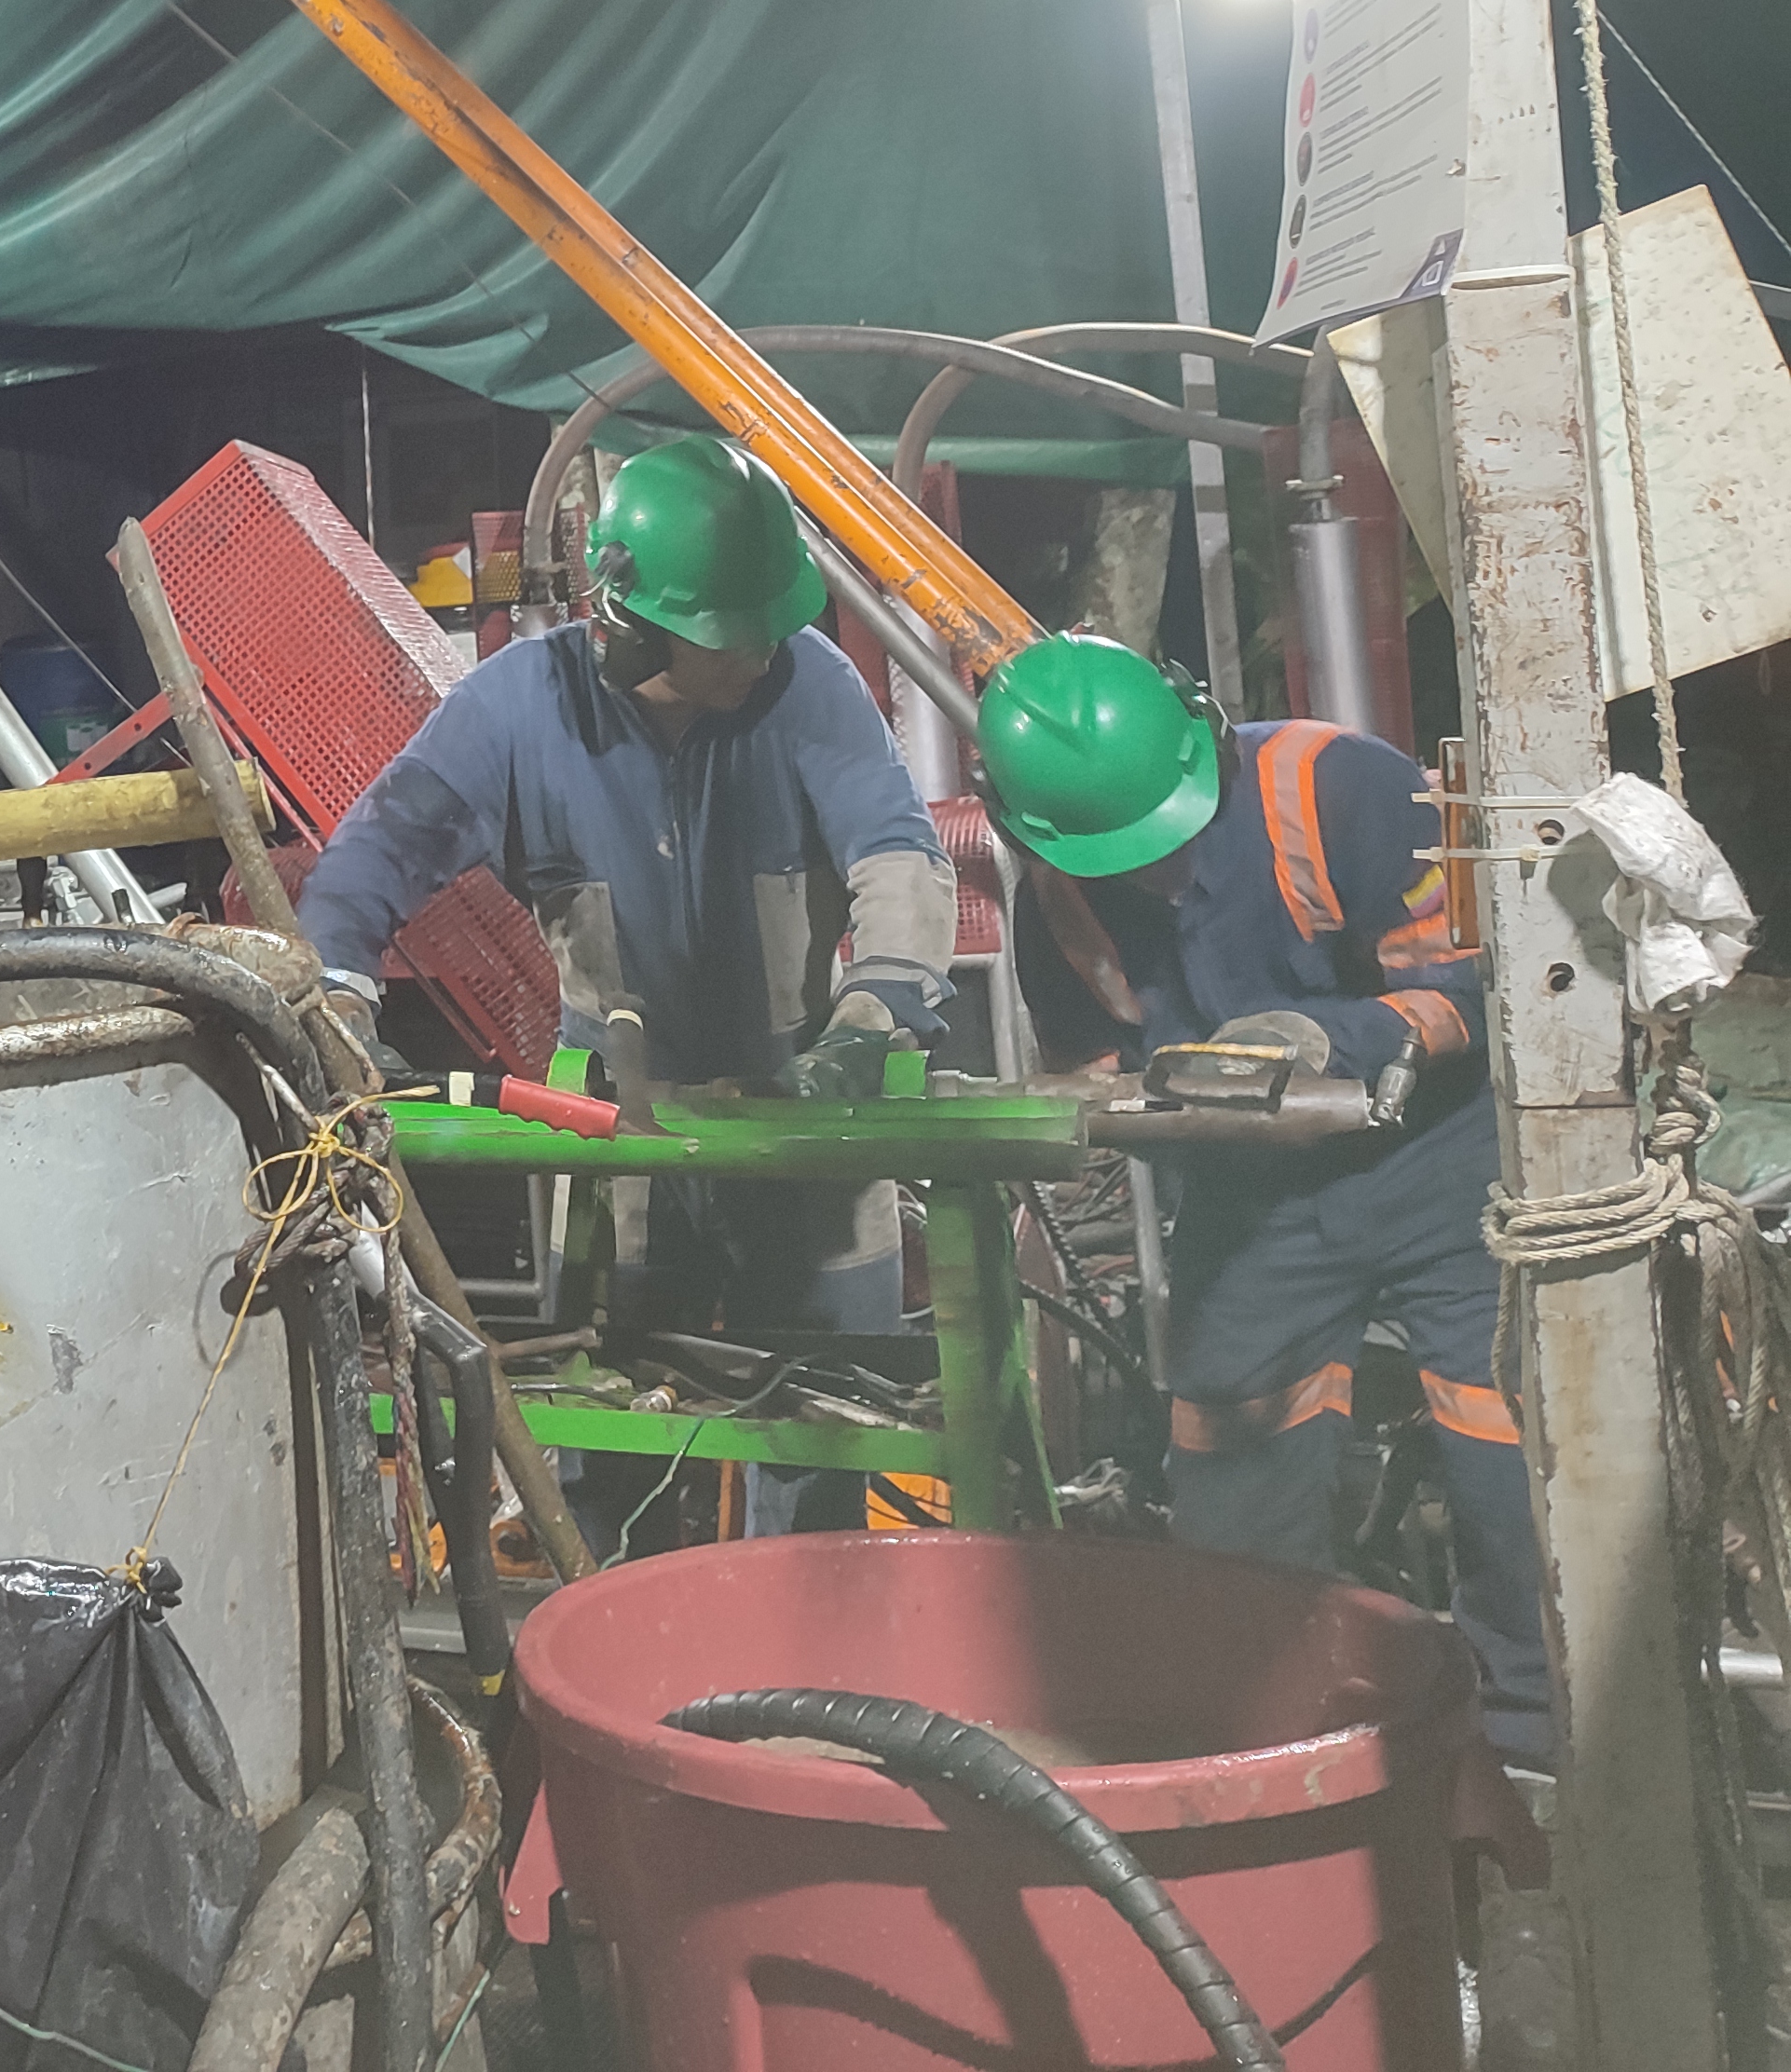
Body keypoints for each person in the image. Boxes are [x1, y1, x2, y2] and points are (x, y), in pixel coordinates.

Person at [297, 433, 959, 1534]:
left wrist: (868, 1021)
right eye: (734, 632)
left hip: (805, 1126)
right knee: (613, 1449)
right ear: (633, 625)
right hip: (614, 1140)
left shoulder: (809, 685)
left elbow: (896, 854)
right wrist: (339, 997)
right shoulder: (516, 709)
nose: (764, 649)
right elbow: (371, 860)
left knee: (827, 1434)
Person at [982, 635, 1551, 1765]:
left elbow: (1477, 989)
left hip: (1441, 1168)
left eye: (1171, 837)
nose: (1159, 872)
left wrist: (1326, 1037)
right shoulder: (1057, 896)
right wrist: (1094, 1113)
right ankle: (1266, 1744)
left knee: (1508, 1454)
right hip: (1253, 1209)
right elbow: (1094, 1062)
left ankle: (1531, 1740)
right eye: (1127, 856)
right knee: (1232, 1472)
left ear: (1199, 737)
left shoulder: (1341, 788)